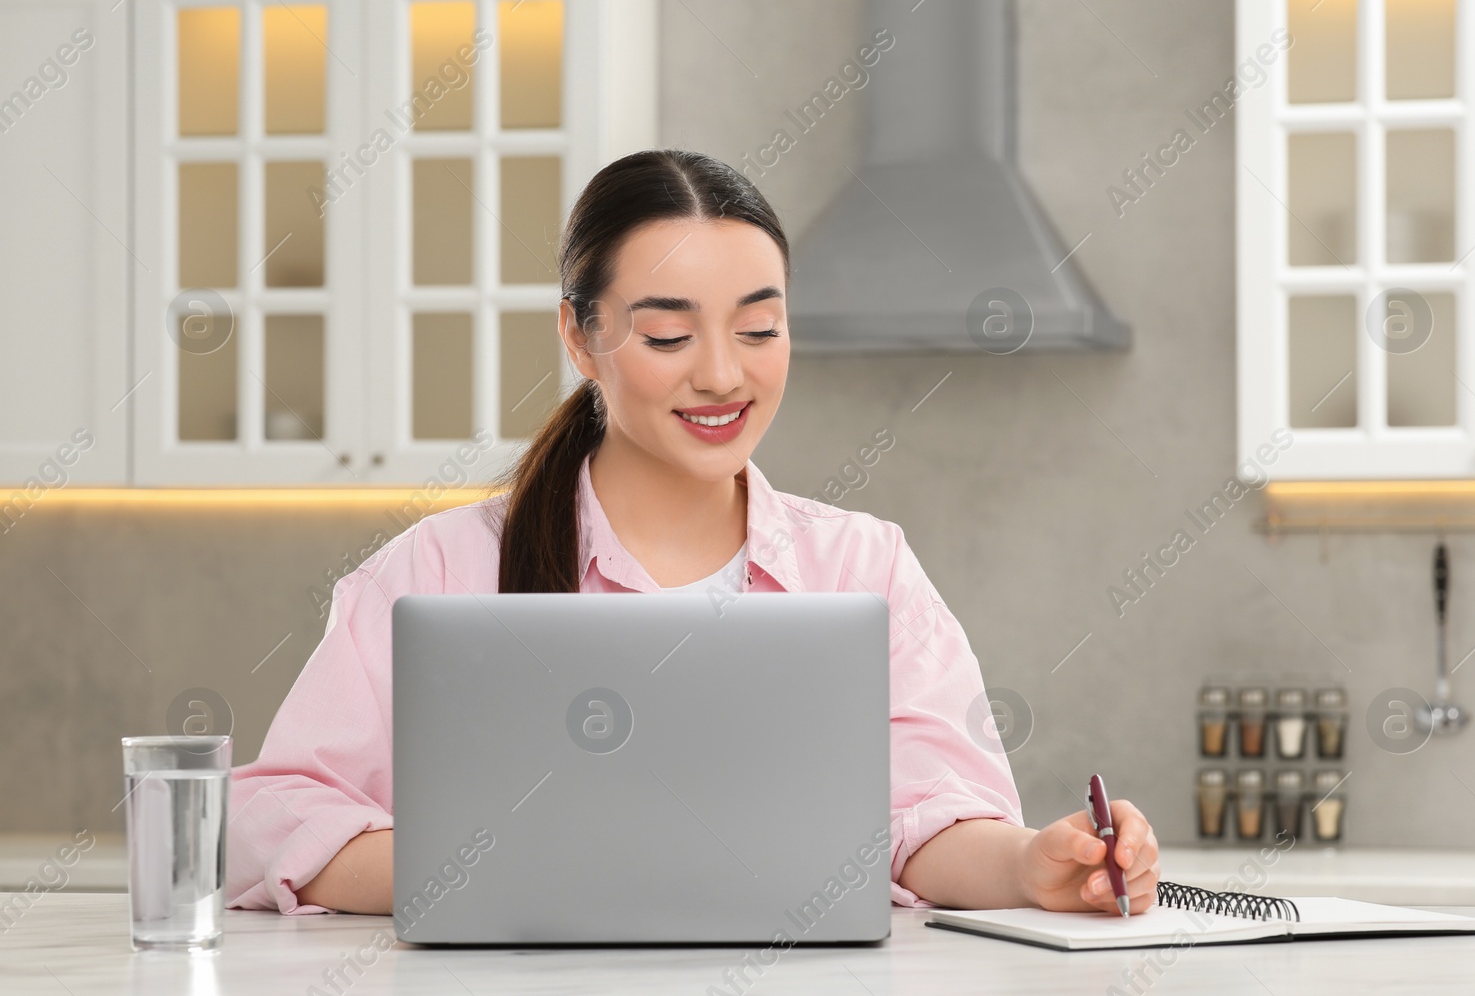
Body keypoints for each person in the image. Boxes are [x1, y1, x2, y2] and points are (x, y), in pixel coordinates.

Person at [226, 148, 1160, 917]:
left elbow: (931, 816)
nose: (722, 374)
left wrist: (1034, 865)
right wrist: (497, 872)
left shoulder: (863, 565)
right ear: (580, 337)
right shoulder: (440, 568)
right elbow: (271, 813)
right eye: (669, 337)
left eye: (759, 328)